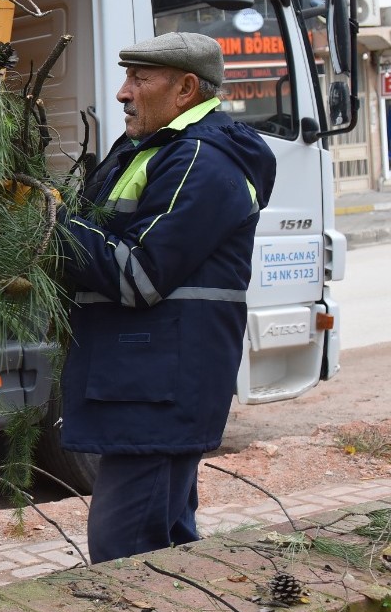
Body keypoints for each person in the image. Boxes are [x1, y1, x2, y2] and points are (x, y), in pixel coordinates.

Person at [59, 32, 277, 563]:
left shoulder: (202, 159)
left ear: (185, 89)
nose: (123, 92)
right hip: (144, 382)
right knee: (167, 547)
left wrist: (52, 226)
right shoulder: (156, 149)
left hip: (157, 387)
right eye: (126, 77)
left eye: (140, 79)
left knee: (124, 552)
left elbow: (137, 275)